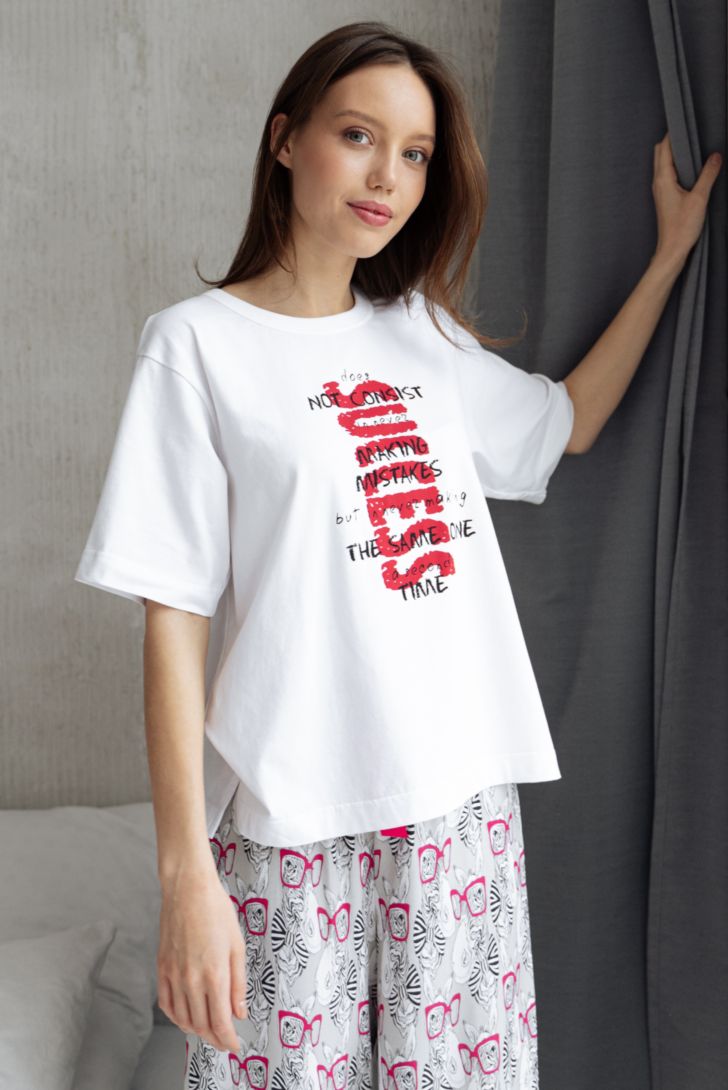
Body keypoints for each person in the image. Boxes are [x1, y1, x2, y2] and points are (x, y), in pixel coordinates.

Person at [73, 20, 720, 1090]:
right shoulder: (194, 346)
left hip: (458, 812)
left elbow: (565, 425)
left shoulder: (420, 333)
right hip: (291, 818)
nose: (387, 177)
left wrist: (667, 260)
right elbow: (172, 620)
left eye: (414, 153)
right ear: (286, 139)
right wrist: (186, 877)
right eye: (358, 135)